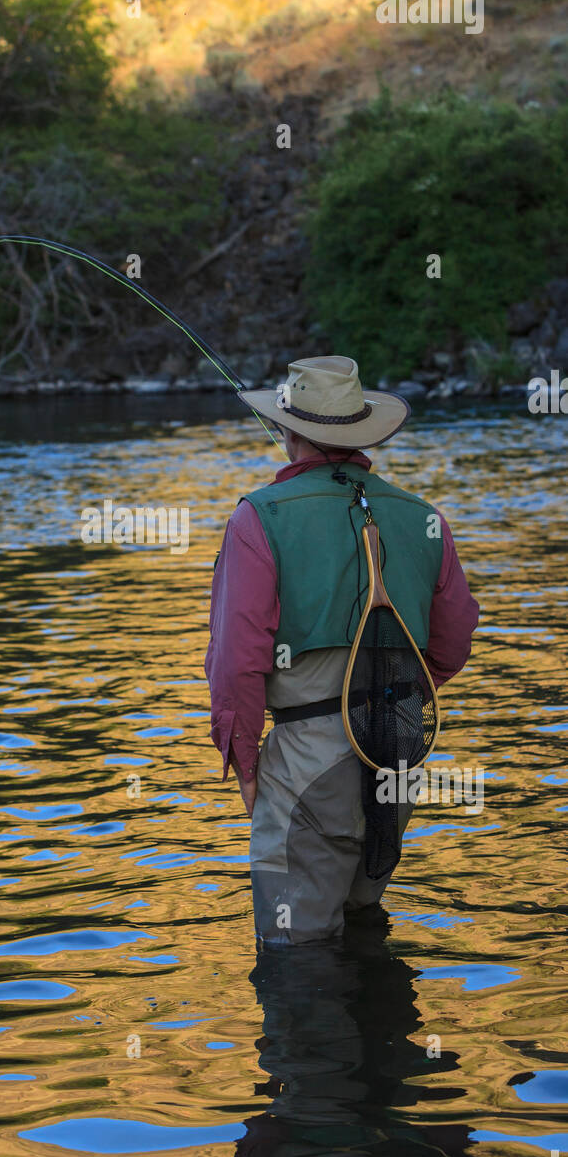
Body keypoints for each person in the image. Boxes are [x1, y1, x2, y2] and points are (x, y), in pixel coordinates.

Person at [205, 356, 479, 947]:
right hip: (398, 759)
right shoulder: (423, 517)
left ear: (290, 432)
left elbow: (236, 660)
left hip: (307, 765)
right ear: (358, 431)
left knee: (296, 962)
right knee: (362, 933)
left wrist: (245, 762)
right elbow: (455, 638)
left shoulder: (258, 518)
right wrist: (392, 694)